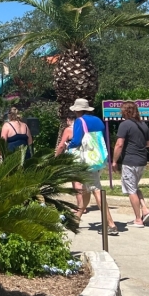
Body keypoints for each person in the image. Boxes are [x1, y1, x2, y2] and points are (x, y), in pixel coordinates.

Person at [56, 98, 118, 234]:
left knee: (96, 189)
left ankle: (111, 224)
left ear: (77, 110)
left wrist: (68, 146)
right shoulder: (98, 120)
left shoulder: (80, 121)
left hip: (87, 161)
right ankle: (75, 220)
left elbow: (77, 140)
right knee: (86, 190)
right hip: (98, 158)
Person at [112, 101, 149, 227]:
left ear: (125, 111)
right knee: (134, 187)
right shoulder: (143, 124)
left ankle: (138, 219)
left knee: (131, 190)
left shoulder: (125, 124)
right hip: (142, 161)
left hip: (130, 161)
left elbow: (119, 144)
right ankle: (145, 210)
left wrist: (114, 161)